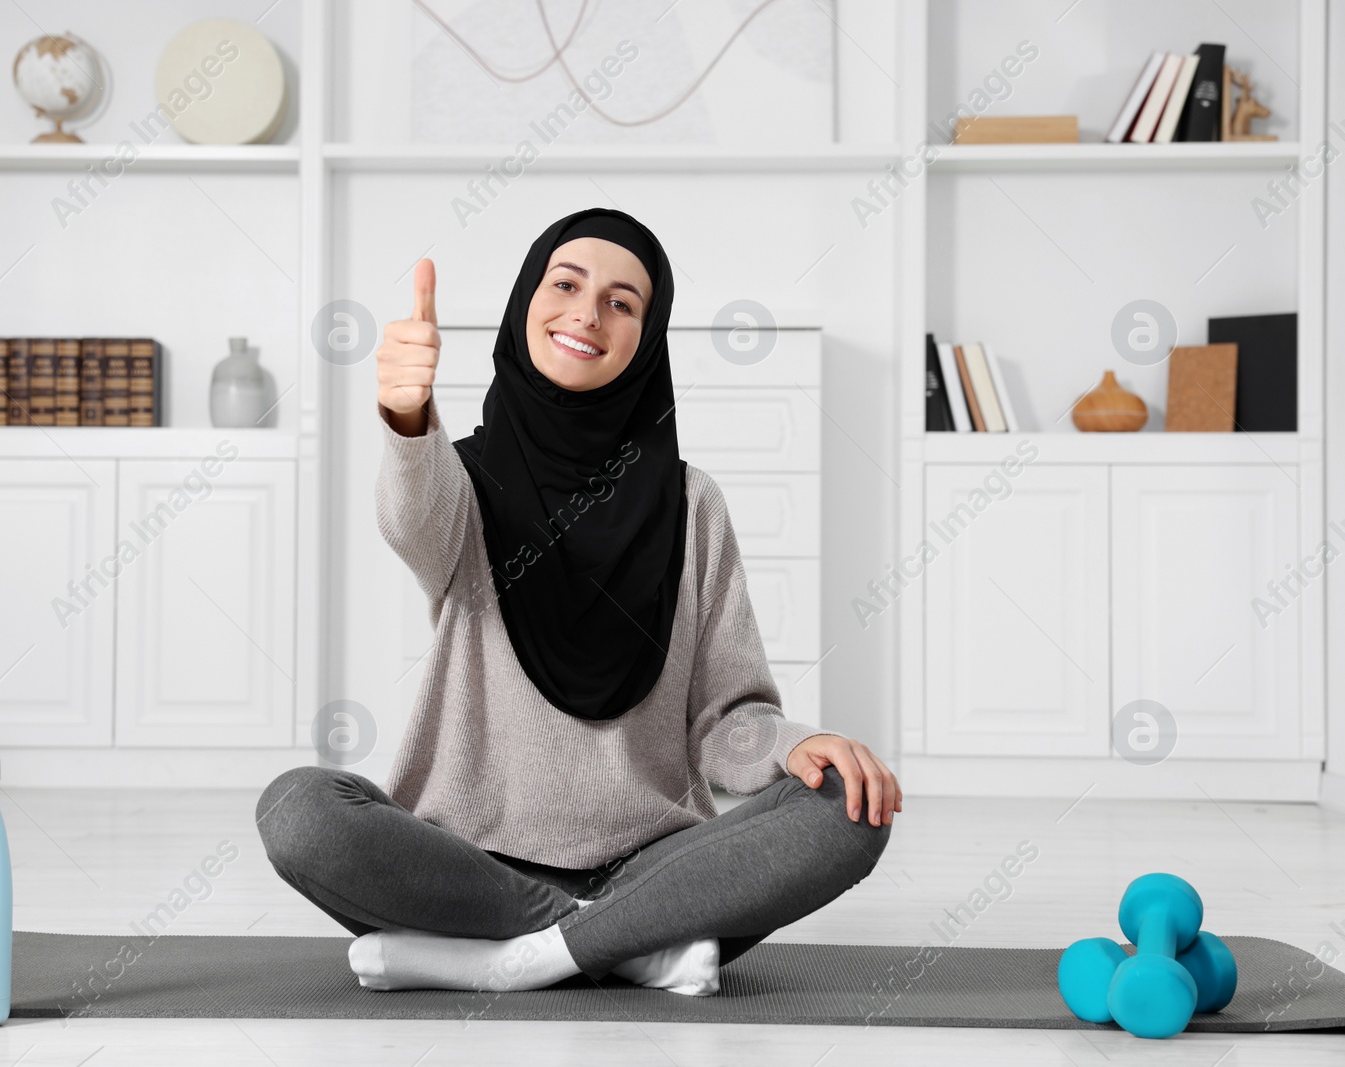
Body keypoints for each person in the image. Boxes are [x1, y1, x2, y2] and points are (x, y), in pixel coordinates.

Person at [256, 207, 899, 997]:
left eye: (623, 302)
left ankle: (511, 957)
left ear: (646, 335)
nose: (587, 314)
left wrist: (796, 744)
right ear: (528, 298)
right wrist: (405, 414)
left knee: (848, 806)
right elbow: (409, 517)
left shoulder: (692, 504)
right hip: (467, 862)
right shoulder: (461, 481)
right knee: (298, 808)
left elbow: (724, 726)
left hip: (657, 860)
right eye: (566, 284)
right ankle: (623, 941)